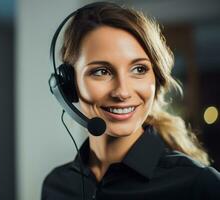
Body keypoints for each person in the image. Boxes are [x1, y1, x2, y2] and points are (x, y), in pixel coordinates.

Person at [42, 2, 220, 200]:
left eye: (139, 69)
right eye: (101, 71)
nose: (122, 92)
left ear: (157, 79)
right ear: (68, 85)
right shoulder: (56, 185)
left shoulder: (199, 185)